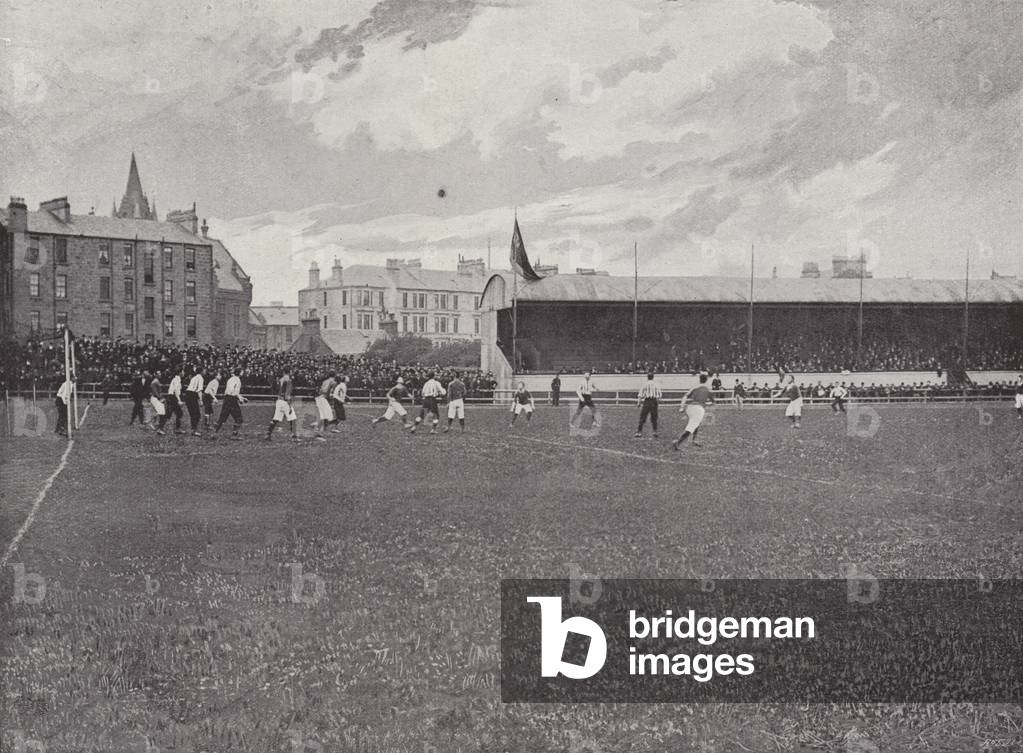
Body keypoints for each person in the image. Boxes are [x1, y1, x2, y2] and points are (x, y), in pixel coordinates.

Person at [673, 372, 713, 450]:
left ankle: (693, 440)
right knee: (691, 427)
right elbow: (713, 401)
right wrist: (706, 404)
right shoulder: (708, 388)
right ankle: (677, 443)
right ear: (706, 379)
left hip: (690, 407)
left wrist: (682, 407)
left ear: (699, 379)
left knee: (696, 423)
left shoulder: (695, 387)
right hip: (699, 409)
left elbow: (685, 396)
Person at [213, 367, 245, 440]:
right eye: (242, 371)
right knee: (239, 418)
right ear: (239, 372)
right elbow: (234, 392)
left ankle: (214, 433)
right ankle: (234, 435)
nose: (243, 373)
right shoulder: (238, 380)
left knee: (222, 417)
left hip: (227, 399)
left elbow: (230, 391)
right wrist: (240, 399)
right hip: (232, 400)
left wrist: (242, 397)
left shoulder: (231, 379)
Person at [267, 368, 299, 441]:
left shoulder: (281, 379)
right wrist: (289, 405)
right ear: (289, 372)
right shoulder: (288, 380)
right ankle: (294, 437)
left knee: (276, 418)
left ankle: (268, 434)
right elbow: (287, 393)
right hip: (285, 401)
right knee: (293, 418)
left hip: (279, 401)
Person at [635, 371, 662, 438]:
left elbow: (640, 394)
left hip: (647, 401)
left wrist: (639, 403)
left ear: (647, 377)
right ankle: (655, 432)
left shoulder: (644, 384)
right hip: (653, 401)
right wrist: (657, 402)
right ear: (653, 377)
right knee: (654, 417)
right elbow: (660, 394)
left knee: (643, 417)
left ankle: (639, 432)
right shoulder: (656, 385)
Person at [159, 366, 184, 434]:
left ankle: (177, 429)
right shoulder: (177, 379)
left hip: (172, 397)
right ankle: (161, 429)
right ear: (180, 372)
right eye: (182, 371)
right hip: (173, 397)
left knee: (177, 413)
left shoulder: (176, 379)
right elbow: (175, 390)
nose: (183, 373)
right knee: (171, 414)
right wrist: (179, 400)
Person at [314, 371, 337, 440]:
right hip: (322, 399)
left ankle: (318, 431)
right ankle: (318, 431)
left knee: (324, 416)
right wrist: (329, 395)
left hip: (320, 398)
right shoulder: (333, 382)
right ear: (334, 376)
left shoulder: (325, 381)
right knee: (327, 416)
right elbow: (325, 391)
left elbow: (321, 390)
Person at [184, 365, 204, 436]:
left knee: (193, 414)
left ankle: (193, 429)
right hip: (192, 395)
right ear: (201, 371)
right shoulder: (200, 378)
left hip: (188, 395)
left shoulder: (194, 377)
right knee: (196, 414)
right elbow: (199, 390)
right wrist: (201, 400)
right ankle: (194, 430)